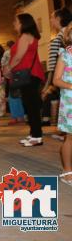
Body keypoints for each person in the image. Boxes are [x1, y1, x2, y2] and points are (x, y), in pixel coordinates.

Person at [4, 13, 45, 147]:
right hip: (30, 75)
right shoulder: (26, 36)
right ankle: (34, 134)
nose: (13, 23)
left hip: (29, 75)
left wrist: (8, 68)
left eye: (15, 21)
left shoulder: (25, 36)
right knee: (29, 105)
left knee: (31, 106)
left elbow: (18, 57)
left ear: (22, 23)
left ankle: (37, 136)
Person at [52, 24, 72, 186]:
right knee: (70, 139)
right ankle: (67, 170)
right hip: (70, 103)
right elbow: (56, 80)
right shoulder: (65, 55)